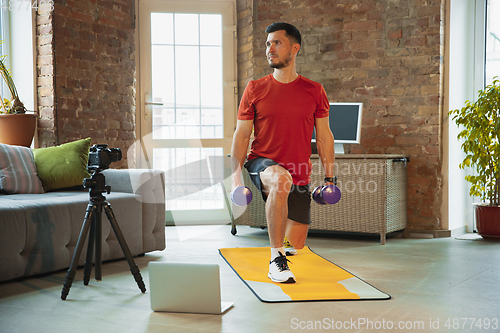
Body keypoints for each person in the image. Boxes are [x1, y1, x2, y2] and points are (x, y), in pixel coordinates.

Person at [231, 22, 335, 283]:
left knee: (297, 244)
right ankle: (275, 260)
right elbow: (242, 135)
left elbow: (323, 136)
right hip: (262, 162)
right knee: (280, 179)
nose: (270, 48)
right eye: (268, 44)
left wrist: (330, 179)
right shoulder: (255, 89)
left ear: (295, 48)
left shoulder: (314, 91)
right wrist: (235, 178)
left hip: (299, 171)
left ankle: (284, 247)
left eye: (277, 42)